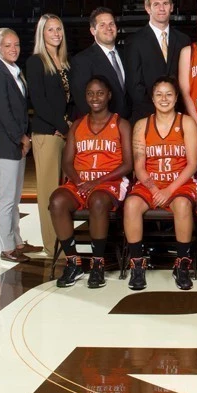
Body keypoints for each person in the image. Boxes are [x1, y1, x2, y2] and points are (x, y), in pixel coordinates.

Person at [50, 76, 133, 289]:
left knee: (97, 201)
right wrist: (79, 181)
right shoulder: (78, 125)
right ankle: (73, 262)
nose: (95, 98)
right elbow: (67, 162)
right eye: (90, 93)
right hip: (81, 181)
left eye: (100, 93)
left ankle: (98, 263)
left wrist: (96, 181)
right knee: (57, 200)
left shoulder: (121, 124)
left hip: (110, 181)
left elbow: (128, 164)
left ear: (109, 95)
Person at [125, 77, 197, 291]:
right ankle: (137, 264)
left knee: (183, 205)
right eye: (159, 94)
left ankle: (182, 264)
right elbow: (139, 166)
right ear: (152, 98)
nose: (164, 99)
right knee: (131, 205)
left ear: (176, 98)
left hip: (180, 182)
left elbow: (193, 165)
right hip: (151, 182)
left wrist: (169, 190)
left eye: (169, 94)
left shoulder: (186, 123)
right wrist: (154, 189)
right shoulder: (142, 125)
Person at [0, 27, 40, 263]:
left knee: (14, 199)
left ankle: (17, 241)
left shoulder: (15, 71)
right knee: (6, 199)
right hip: (5, 144)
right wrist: (22, 138)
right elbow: (4, 113)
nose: (13, 49)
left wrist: (23, 138)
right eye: (7, 45)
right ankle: (7, 248)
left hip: (16, 143)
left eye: (16, 44)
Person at [27, 14, 72, 259]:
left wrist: (69, 125)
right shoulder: (36, 62)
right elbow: (39, 102)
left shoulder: (65, 62)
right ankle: (51, 245)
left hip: (64, 131)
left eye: (59, 29)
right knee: (49, 191)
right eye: (50, 30)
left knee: (64, 191)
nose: (56, 34)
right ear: (42, 33)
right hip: (47, 133)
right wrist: (62, 127)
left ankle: (64, 241)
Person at [125, 0, 191, 123]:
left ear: (171, 7)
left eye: (165, 4)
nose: (161, 8)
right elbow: (134, 84)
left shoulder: (184, 40)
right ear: (148, 8)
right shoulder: (134, 41)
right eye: (156, 4)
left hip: (178, 113)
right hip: (146, 115)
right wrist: (159, 110)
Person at [71, 7, 130, 119]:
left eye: (111, 24)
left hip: (128, 122)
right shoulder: (82, 60)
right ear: (93, 31)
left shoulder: (126, 54)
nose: (109, 28)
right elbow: (82, 100)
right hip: (101, 124)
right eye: (102, 25)